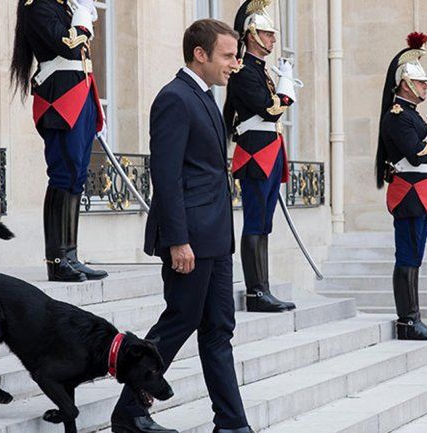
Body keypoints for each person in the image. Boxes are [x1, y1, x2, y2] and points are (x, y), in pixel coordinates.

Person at [110, 19, 254, 433]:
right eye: (228, 55)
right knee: (177, 324)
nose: (235, 63)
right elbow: (167, 175)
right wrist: (177, 241)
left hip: (215, 238)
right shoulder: (175, 98)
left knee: (218, 331)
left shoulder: (205, 95)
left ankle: (232, 423)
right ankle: (129, 412)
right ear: (200, 54)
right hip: (190, 238)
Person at [10, 0, 107, 282]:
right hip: (60, 100)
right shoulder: (39, 6)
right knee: (63, 175)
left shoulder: (63, 6)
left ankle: (71, 255)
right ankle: (56, 259)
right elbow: (69, 45)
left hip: (80, 95)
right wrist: (80, 17)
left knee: (77, 177)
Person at [374, 32, 427, 340]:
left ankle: (413, 316)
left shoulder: (412, 115)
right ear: (405, 83)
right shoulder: (397, 116)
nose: (425, 87)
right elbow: (418, 156)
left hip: (422, 194)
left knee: (415, 256)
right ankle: (407, 319)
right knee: (407, 255)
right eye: (420, 83)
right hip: (410, 194)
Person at [223, 0, 296, 313]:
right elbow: (268, 108)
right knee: (254, 223)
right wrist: (286, 90)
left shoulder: (259, 71)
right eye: (267, 34)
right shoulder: (243, 73)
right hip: (256, 154)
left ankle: (262, 287)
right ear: (251, 35)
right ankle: (255, 291)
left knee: (264, 224)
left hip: (269, 150)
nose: (272, 40)